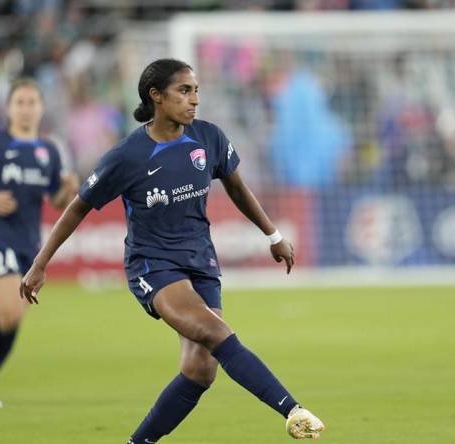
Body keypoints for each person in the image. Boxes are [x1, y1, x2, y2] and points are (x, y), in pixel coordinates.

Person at [19, 59, 325, 442]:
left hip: (201, 262)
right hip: (153, 265)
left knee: (200, 370)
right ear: (157, 97)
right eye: (184, 91)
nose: (194, 100)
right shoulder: (127, 156)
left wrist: (273, 234)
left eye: (196, 90)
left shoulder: (209, 137)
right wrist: (40, 264)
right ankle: (292, 410)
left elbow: (236, 187)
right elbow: (78, 206)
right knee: (216, 332)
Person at [0, 78, 79, 407]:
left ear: (41, 107)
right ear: (8, 108)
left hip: (30, 244)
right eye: (19, 102)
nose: (25, 109)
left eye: (31, 102)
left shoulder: (48, 150)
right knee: (9, 312)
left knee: (16, 316)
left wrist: (69, 188)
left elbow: (57, 201)